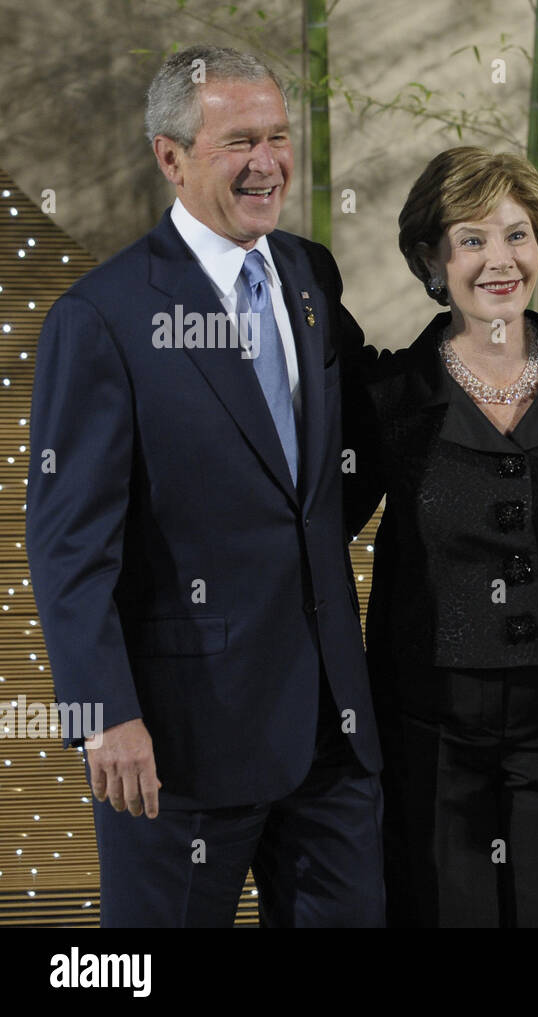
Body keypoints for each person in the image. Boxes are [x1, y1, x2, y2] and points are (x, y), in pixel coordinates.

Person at [25, 45, 386, 926]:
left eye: (277, 136)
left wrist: (518, 339)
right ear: (170, 156)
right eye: (238, 142)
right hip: (176, 747)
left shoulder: (306, 274)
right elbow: (68, 542)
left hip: (331, 733)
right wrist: (103, 713)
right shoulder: (101, 318)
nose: (268, 163)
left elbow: (366, 422)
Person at [344, 147, 538, 928]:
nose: (499, 259)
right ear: (430, 260)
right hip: (429, 723)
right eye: (471, 239)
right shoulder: (393, 398)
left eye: (517, 235)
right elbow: (316, 523)